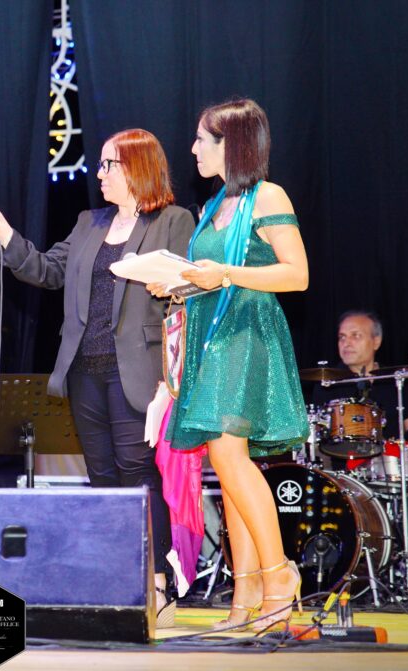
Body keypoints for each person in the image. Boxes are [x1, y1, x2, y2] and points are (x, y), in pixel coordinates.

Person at [0, 128, 194, 628]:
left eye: (109, 164)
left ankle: (158, 585)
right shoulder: (90, 222)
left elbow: (184, 298)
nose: (100, 174)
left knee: (137, 474)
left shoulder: (173, 221)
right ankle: (118, 582)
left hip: (139, 370)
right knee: (105, 479)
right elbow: (48, 271)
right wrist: (3, 233)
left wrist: (170, 378)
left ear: (137, 167)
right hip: (85, 371)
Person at [150, 98, 310, 632]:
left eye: (202, 139)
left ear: (232, 144)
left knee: (233, 462)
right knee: (226, 465)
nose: (193, 148)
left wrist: (227, 274)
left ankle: (279, 577)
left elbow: (296, 274)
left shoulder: (268, 197)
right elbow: (210, 274)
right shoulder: (217, 201)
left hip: (245, 334)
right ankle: (245, 597)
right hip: (209, 337)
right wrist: (177, 282)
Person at [311, 310, 408, 443]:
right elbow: (316, 441)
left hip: (391, 461)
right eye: (342, 337)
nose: (346, 343)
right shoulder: (328, 384)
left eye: (356, 336)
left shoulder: (397, 381)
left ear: (376, 341)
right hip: (341, 463)